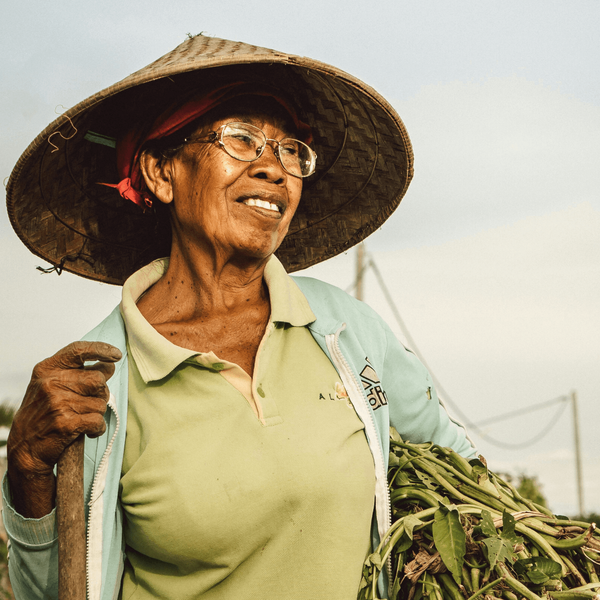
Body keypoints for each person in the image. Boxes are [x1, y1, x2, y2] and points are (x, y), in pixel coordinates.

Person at [3, 35, 476, 600]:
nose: (274, 169)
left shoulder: (343, 329)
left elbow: (462, 472)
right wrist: (28, 466)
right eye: (241, 138)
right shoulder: (102, 383)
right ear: (160, 171)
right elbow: (57, 591)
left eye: (291, 151)